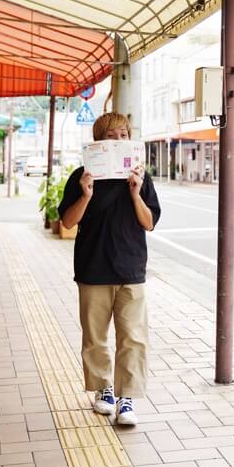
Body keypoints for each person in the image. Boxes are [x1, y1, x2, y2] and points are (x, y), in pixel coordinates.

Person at [57, 113, 161, 425]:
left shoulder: (141, 178)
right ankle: (103, 390)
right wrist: (86, 195)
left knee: (133, 336)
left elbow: (149, 222)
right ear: (100, 140)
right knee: (95, 337)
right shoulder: (82, 176)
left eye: (124, 134)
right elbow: (67, 221)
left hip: (131, 268)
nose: (119, 140)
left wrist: (134, 192)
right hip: (93, 268)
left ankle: (126, 398)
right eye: (112, 135)